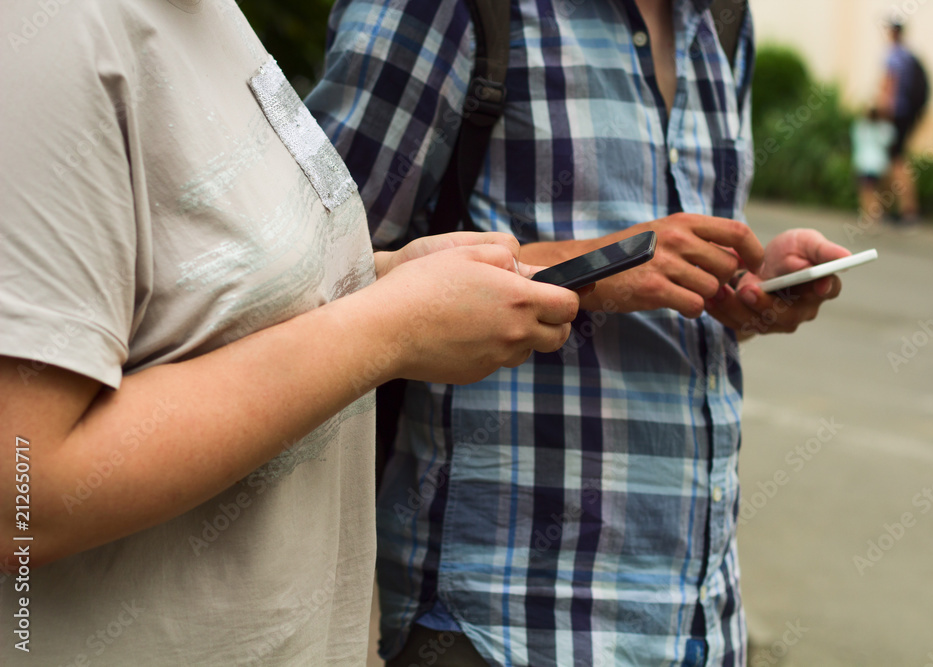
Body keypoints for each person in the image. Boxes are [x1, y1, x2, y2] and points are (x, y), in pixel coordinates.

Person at [0, 1, 581, 664]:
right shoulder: (45, 30)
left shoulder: (209, 14)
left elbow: (208, 297)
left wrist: (378, 279)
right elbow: (25, 495)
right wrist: (390, 328)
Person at [307, 1, 850, 665]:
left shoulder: (722, 19)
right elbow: (310, 272)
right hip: (499, 622)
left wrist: (750, 291)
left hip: (699, 624)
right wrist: (602, 265)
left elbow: (670, 299)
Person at [879, 18, 925, 225]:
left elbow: (890, 86)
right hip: (908, 114)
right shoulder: (908, 55)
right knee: (898, 160)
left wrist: (882, 110)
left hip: (897, 115)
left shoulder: (894, 57)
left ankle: (907, 209)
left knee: (897, 161)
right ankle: (901, 208)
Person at [851, 106, 897, 226]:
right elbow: (890, 141)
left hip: (864, 164)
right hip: (880, 165)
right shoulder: (885, 128)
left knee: (866, 191)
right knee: (876, 190)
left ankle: (870, 215)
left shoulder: (861, 127)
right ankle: (876, 214)